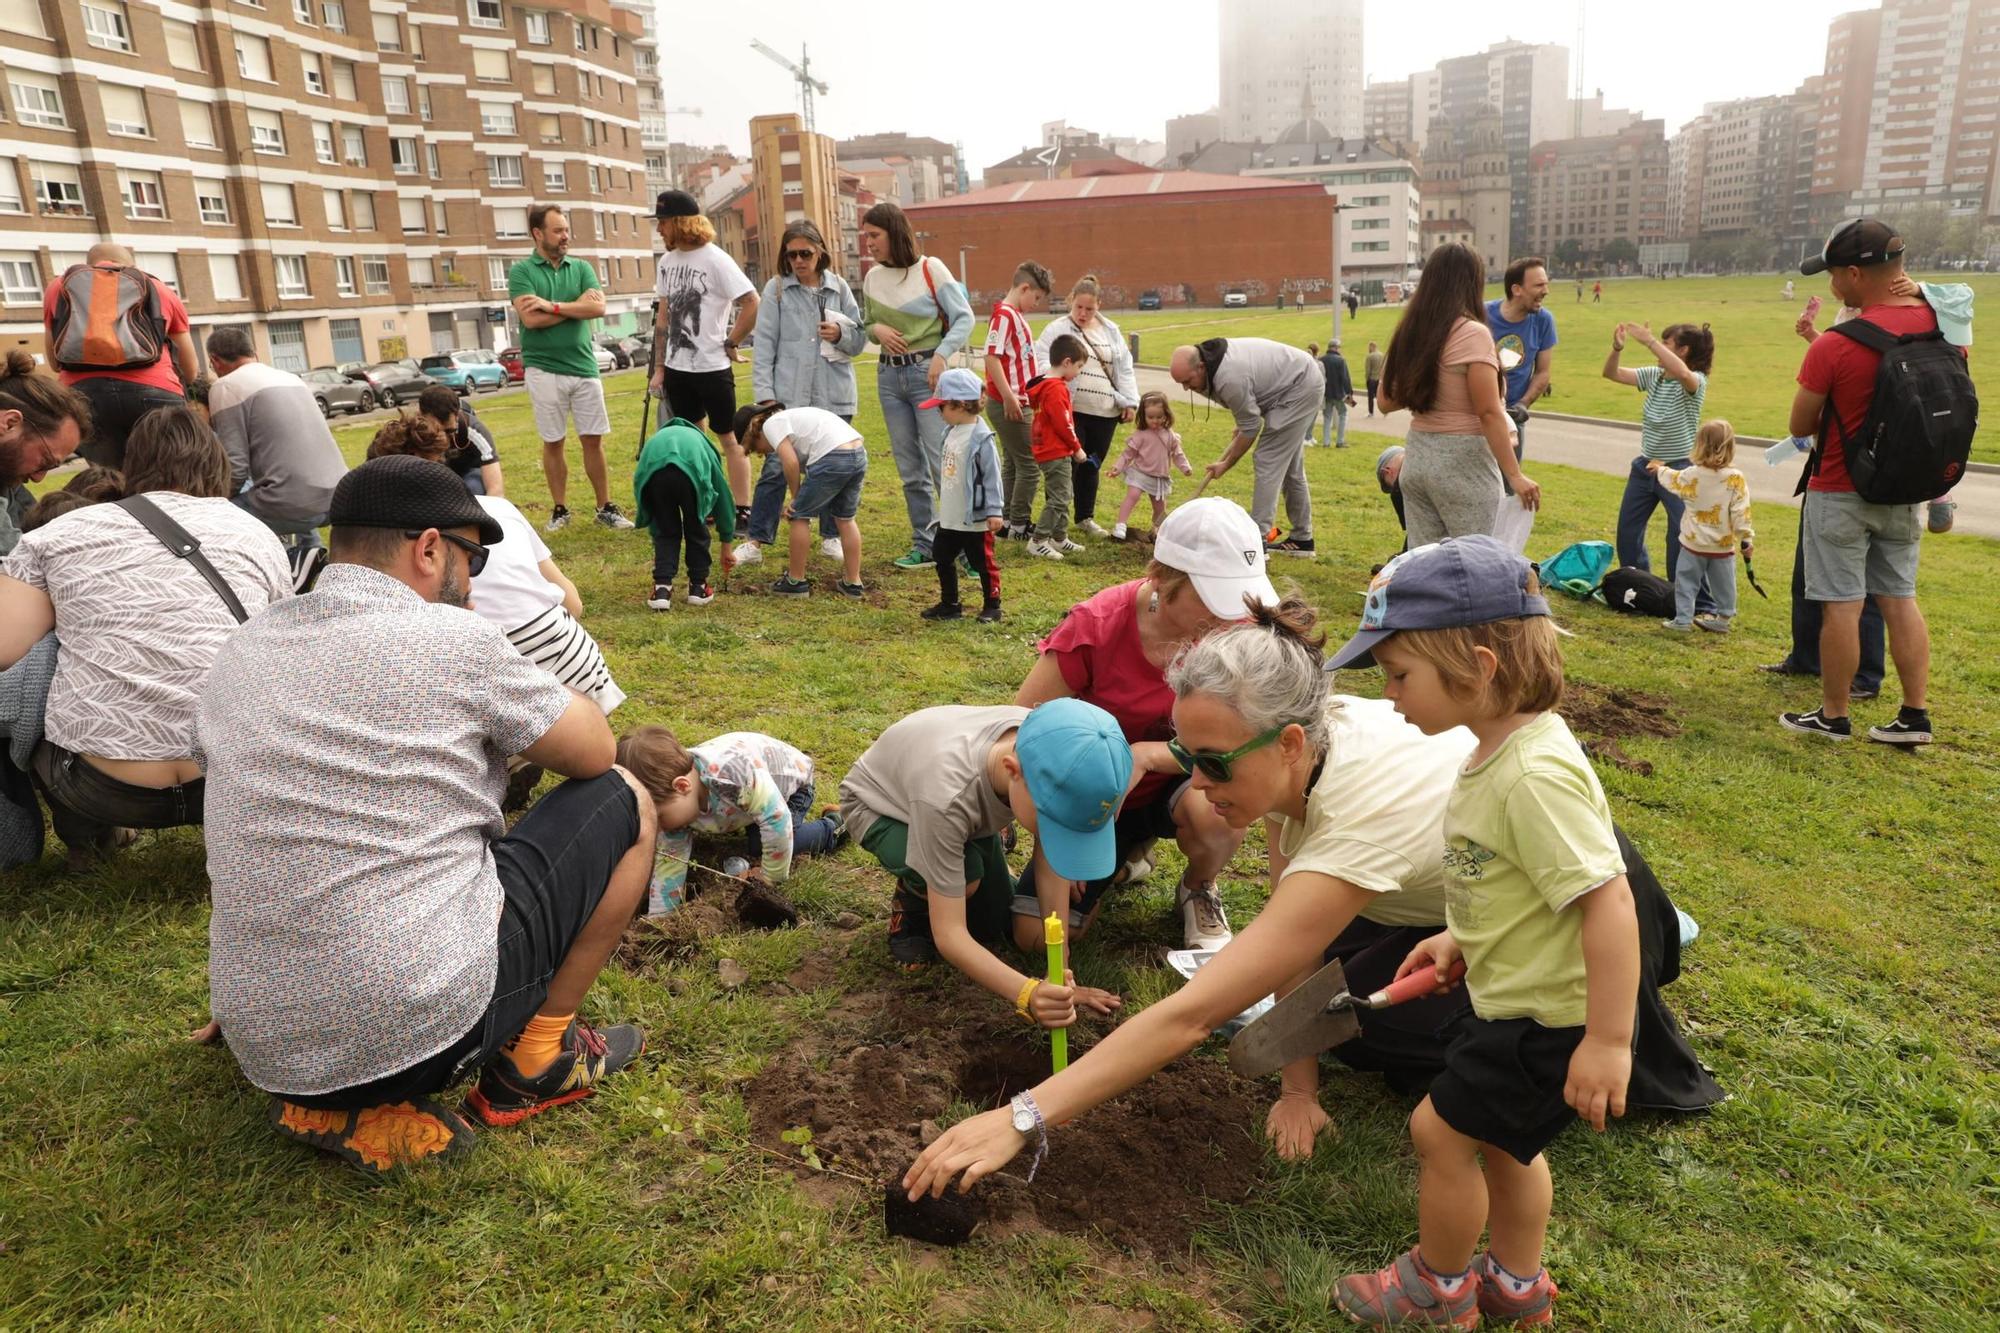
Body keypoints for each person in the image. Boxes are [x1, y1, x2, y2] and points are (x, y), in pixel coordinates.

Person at [905, 571, 1716, 1222]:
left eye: (1216, 762)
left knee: (1380, 1031)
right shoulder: (1303, 750)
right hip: (1461, 905)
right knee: (1344, 1005)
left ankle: (1627, 1011)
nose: (1198, 781)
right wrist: (1298, 1088)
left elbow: (1197, 1011)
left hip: (1568, 910)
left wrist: (1020, 1118)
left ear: (1289, 745)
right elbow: (1293, 938)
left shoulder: (1358, 810)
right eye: (1190, 755)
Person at [197, 455, 656, 1171]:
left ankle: (316, 1072)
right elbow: (595, 748)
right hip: (409, 1029)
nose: (470, 580)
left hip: (261, 1029)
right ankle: (536, 1059)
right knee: (627, 795)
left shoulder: (247, 642)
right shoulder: (453, 639)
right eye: (471, 558)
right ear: (430, 547)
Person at [1316, 536, 1639, 1328]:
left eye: (1400, 674)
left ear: (1480, 667)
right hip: (1513, 1000)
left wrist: (1608, 1041)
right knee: (1507, 1145)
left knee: (1438, 1131)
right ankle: (1517, 1286)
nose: (1391, 695)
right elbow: (1516, 883)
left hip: (1541, 1019)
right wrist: (1461, 937)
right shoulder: (1496, 751)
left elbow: (1608, 902)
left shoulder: (1532, 775)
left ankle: (1438, 1288)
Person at [0, 406, 289, 866]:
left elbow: (4, 650)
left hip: (97, 785)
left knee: (47, 650)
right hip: (228, 781)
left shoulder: (58, 535)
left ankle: (83, 839)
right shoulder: (256, 533)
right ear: (216, 462)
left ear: (131, 465)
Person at [1016, 498, 1277, 950]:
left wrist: (1148, 756)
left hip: (1186, 782)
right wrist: (1064, 828)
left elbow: (1250, 741)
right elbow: (1024, 726)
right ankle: (1125, 856)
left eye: (1239, 595)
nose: (1230, 615)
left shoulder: (1242, 627)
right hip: (1097, 801)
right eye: (1214, 596)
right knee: (1035, 939)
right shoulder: (1096, 626)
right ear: (1161, 577)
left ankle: (1198, 886)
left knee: (1218, 812)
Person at [837, 697, 1135, 1023]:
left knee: (993, 927)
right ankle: (911, 904)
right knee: (965, 882)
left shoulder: (1057, 744)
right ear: (1012, 771)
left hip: (958, 811)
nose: (1057, 835)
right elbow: (951, 934)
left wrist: (1059, 970)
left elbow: (1050, 860)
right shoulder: (945, 798)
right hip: (882, 808)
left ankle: (982, 839)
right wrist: (1028, 993)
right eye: (1053, 825)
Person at [1782, 218, 1942, 745]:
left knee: (1842, 606)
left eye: (1833, 273)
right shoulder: (1941, 328)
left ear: (1854, 274)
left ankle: (1834, 714)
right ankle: (1914, 715)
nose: (1829, 283)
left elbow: (1800, 425)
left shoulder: (1836, 345)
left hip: (1840, 487)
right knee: (1900, 597)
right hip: (1904, 486)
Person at [365, 416, 624, 716]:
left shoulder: (396, 548)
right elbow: (573, 603)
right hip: (581, 665)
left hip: (504, 682)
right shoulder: (500, 508)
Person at [1378, 243, 1540, 545]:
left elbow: (1385, 400)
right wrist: (1515, 475)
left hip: (1417, 461)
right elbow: (1488, 412)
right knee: (1475, 564)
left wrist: (1427, 377)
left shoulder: (1411, 332)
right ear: (1472, 282)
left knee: (1426, 568)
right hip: (1464, 466)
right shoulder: (1471, 333)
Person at [616, 724, 846, 917]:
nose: (657, 827)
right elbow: (670, 862)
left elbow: (777, 819)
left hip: (789, 788)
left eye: (660, 817)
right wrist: (660, 917)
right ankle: (744, 818)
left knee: (768, 843)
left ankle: (834, 825)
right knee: (676, 833)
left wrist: (769, 877)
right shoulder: (670, 800)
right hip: (748, 803)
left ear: (682, 786)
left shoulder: (733, 778)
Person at [741, 219, 865, 567]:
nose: (798, 260)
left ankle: (830, 536)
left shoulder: (839, 287)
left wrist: (841, 333)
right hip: (788, 398)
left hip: (834, 393)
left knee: (831, 470)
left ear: (820, 251)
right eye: (791, 254)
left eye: (805, 253)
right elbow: (763, 345)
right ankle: (756, 539)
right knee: (775, 470)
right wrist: (766, 397)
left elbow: (859, 340)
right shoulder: (777, 289)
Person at [860, 202, 974, 572]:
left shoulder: (931, 269)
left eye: (874, 236)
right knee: (910, 470)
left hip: (928, 374)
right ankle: (926, 544)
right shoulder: (872, 277)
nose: (869, 244)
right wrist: (874, 329)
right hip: (888, 378)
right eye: (866, 236)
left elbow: (963, 318)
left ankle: (964, 548)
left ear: (894, 233)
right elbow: (867, 323)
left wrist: (941, 356)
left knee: (944, 464)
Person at [509, 204, 633, 533]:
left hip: (583, 366)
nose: (566, 236)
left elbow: (599, 307)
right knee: (554, 441)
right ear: (538, 234)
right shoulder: (521, 272)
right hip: (543, 369)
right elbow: (531, 319)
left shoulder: (581, 268)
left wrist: (552, 305)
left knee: (593, 440)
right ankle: (560, 510)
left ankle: (605, 507)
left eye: (566, 229)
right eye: (558, 230)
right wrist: (577, 307)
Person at [650, 189, 759, 521]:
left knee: (729, 439)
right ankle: (707, 504)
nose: (659, 230)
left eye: (663, 222)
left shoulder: (716, 259)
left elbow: (752, 301)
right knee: (692, 440)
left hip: (711, 367)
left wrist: (731, 341)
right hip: (677, 367)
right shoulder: (667, 263)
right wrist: (659, 368)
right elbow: (663, 319)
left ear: (681, 223)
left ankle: (742, 509)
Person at [41, 243, 200, 468]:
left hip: (83, 396)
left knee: (110, 480)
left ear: (89, 267)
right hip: (155, 392)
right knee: (169, 476)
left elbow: (55, 362)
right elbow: (191, 369)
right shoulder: (157, 288)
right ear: (132, 268)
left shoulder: (60, 287)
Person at [1169, 338, 1320, 556]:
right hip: (1289, 384)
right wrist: (1243, 422)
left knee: (1267, 459)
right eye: (1180, 383)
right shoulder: (1209, 365)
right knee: (1289, 467)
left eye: (1187, 381)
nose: (1185, 388)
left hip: (1299, 387)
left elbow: (1251, 427)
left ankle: (1257, 541)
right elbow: (1247, 415)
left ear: (1200, 366)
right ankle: (1302, 540)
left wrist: (1226, 463)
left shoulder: (1229, 377)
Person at [204, 326, 347, 549]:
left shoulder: (226, 386)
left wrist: (212, 502)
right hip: (338, 497)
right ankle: (310, 552)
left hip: (292, 505)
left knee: (212, 521)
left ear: (215, 361)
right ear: (254, 354)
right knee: (284, 485)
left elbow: (235, 468)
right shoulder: (292, 379)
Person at [1605, 321, 1715, 596]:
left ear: (1684, 350)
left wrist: (1649, 340)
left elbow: (1682, 372)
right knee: (1628, 533)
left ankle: (1686, 596)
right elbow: (1611, 373)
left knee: (1680, 537)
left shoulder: (1695, 382)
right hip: (1645, 467)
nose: (1659, 348)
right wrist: (1617, 348)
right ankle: (1639, 589)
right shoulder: (1655, 375)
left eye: (1667, 344)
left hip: (1679, 470)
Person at [1034, 275, 1139, 538]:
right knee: (1067, 464)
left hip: (1105, 410)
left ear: (1098, 305)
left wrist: (1129, 401)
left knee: (1092, 463)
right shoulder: (1057, 328)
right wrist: (1055, 384)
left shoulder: (1110, 330)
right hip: (1071, 409)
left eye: (1089, 308)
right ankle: (1057, 519)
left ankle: (1085, 517)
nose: (1083, 313)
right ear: (1071, 301)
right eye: (1078, 307)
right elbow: (1040, 360)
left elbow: (1124, 368)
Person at [733, 400, 866, 600]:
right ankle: (853, 583)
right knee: (845, 519)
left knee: (798, 517)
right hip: (857, 453)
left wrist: (796, 498)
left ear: (754, 432)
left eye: (757, 448)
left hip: (833, 456)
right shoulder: (792, 419)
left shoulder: (770, 424)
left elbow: (791, 462)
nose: (764, 453)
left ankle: (795, 582)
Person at [1649, 420, 1753, 633]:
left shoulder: (1691, 474)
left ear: (1700, 445)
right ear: (1730, 447)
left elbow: (1672, 478)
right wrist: (1746, 538)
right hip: (1722, 547)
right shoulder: (1736, 478)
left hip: (1693, 545)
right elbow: (1741, 511)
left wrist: (1659, 469)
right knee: (1725, 584)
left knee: (1686, 581)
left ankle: (1683, 619)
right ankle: (1723, 619)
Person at [921, 368, 1004, 623]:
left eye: (941, 407)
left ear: (959, 405)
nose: (939, 412)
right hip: (951, 516)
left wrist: (994, 510)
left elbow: (992, 476)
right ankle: (950, 603)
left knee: (982, 563)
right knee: (942, 556)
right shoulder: (951, 432)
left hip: (975, 519)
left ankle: (993, 605)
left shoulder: (981, 439)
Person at [634, 414, 737, 611]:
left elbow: (641, 478)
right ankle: (698, 588)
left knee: (666, 529)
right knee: (695, 526)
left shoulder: (656, 439)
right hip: (690, 476)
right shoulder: (705, 446)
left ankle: (661, 589)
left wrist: (652, 523)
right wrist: (726, 545)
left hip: (655, 476)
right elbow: (723, 499)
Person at [982, 261, 1052, 540]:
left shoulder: (1015, 316)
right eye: (1036, 297)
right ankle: (1019, 524)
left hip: (1019, 400)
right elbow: (991, 356)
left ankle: (1008, 520)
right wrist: (1010, 397)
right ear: (1024, 288)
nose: (1036, 304)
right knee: (1029, 464)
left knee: (1013, 462)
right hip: (1010, 403)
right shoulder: (1004, 316)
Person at [0, 353, 92, 558]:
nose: (38, 478)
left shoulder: (7, 474)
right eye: (45, 462)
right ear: (11, 422)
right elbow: (18, 561)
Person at [1023, 335, 1089, 559]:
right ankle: (1039, 539)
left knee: (1061, 492)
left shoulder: (1044, 385)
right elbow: (1064, 423)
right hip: (1056, 450)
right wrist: (1077, 448)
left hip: (1046, 450)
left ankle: (1059, 538)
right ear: (1067, 362)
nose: (1079, 372)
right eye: (1079, 366)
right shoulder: (1056, 389)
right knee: (1060, 496)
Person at [1486, 257, 1557, 461]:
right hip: (1477, 416)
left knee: (1510, 484)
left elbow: (1543, 372)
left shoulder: (1544, 321)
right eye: (1539, 285)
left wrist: (1523, 404)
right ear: (1517, 289)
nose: (1546, 291)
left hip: (1512, 418)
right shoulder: (1481, 315)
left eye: (1546, 284)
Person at [1107, 390, 1191, 540]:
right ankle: (1120, 525)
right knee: (1133, 495)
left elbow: (1177, 453)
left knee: (1159, 508)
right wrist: (1117, 467)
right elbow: (1128, 454)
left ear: (1167, 415)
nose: (1155, 421)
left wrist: (1185, 467)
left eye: (1159, 417)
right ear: (1143, 416)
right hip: (1140, 473)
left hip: (1159, 477)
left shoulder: (1170, 435)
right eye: (1150, 417)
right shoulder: (1141, 435)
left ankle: (1157, 529)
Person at [418, 383, 504, 497]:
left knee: (473, 488)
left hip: (468, 475)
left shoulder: (474, 430)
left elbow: (495, 488)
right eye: (436, 432)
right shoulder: (411, 433)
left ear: (457, 415)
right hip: (434, 479)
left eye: (449, 431)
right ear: (421, 416)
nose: (444, 438)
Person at [1317, 338, 1356, 448]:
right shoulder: (1340, 360)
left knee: (1327, 417)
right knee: (1343, 414)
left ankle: (1326, 442)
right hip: (1339, 394)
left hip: (1326, 393)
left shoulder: (1321, 359)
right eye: (1339, 347)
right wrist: (1349, 392)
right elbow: (1345, 378)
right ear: (1335, 347)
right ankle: (1340, 441)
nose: (1340, 349)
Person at [1364, 340, 1385, 417]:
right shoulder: (1382, 355)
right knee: (1379, 396)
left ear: (1371, 347)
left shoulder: (1370, 356)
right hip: (1379, 379)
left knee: (1370, 397)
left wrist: (1367, 379)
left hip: (1372, 379)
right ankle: (1384, 411)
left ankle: (1371, 412)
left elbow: (1368, 370)